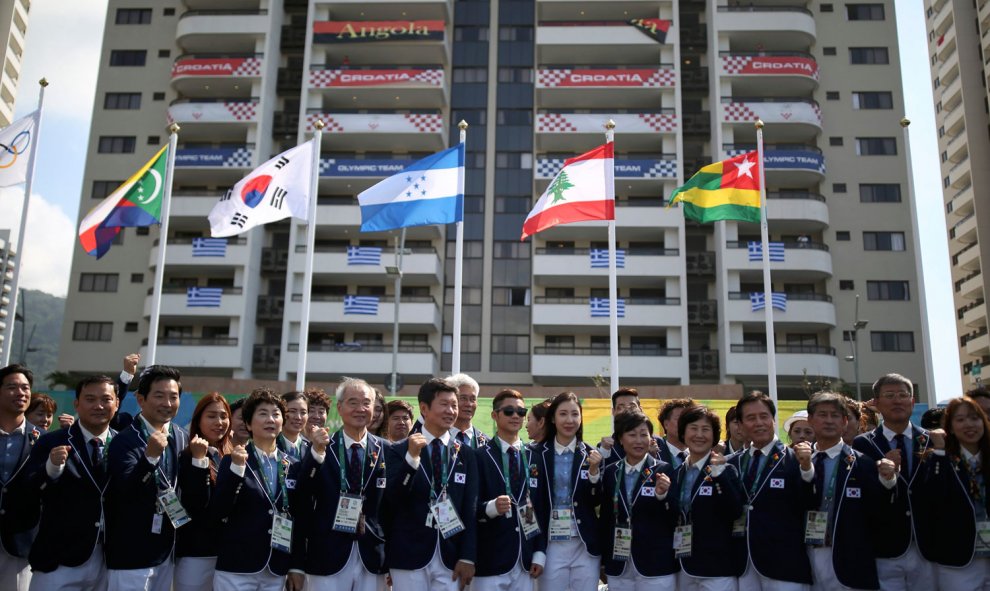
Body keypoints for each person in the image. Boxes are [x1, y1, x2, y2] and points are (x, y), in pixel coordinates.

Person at [289, 378, 387, 591]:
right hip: (326, 554)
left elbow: (393, 509)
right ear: (340, 408)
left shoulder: (387, 450)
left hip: (372, 557)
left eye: (366, 403)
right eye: (353, 402)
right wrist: (297, 564)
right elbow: (302, 503)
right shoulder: (319, 448)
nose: (361, 409)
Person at [26, 375, 119, 590]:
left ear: (117, 403)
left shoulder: (124, 444)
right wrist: (51, 469)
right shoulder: (52, 441)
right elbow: (27, 490)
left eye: (106, 399)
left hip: (107, 560)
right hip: (59, 560)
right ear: (77, 404)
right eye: (90, 399)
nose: (98, 406)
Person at [385, 378, 478, 590]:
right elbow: (392, 500)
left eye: (454, 405)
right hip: (408, 555)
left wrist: (468, 556)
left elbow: (469, 509)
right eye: (444, 404)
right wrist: (411, 460)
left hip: (450, 557)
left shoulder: (466, 454)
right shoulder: (399, 450)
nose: (451, 411)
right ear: (424, 409)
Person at [105, 365, 189, 591]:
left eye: (174, 397)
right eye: (159, 396)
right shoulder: (125, 440)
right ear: (141, 400)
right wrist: (149, 457)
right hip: (132, 552)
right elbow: (125, 491)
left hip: (167, 551)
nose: (168, 403)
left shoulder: (182, 436)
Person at [852, 374, 936, 590]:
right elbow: (863, 494)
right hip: (885, 546)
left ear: (912, 401)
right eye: (889, 396)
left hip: (927, 545)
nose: (897, 401)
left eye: (903, 395)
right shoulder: (863, 443)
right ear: (877, 403)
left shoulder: (931, 441)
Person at [805, 392, 896, 591]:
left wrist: (888, 482)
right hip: (807, 556)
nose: (829, 420)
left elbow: (880, 512)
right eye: (822, 414)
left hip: (849, 558)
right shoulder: (798, 461)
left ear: (845, 421)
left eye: (835, 415)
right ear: (810, 420)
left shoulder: (863, 463)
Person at [728, 390, 816, 590]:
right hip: (743, 562)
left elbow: (809, 502)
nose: (759, 423)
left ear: (773, 420)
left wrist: (806, 470)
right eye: (751, 418)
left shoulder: (796, 459)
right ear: (740, 425)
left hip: (783, 564)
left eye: (764, 416)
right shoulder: (732, 463)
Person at [212, 388, 298, 590]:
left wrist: (296, 567)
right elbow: (219, 510)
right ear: (249, 424)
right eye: (263, 413)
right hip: (237, 567)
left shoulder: (293, 465)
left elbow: (299, 516)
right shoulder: (232, 461)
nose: (271, 419)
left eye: (276, 414)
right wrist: (237, 470)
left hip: (276, 568)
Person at [530, 391, 602, 591]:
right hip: (550, 542)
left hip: (583, 543)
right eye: (563, 414)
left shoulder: (591, 455)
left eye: (574, 414)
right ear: (552, 418)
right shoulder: (535, 454)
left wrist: (594, 473)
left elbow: (596, 501)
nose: (569, 420)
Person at [600, 410, 677, 590]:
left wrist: (662, 495)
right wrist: (604, 560)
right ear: (620, 439)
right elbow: (606, 518)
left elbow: (675, 515)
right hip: (619, 563)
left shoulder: (664, 470)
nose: (638, 440)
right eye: (632, 434)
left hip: (655, 564)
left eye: (644, 435)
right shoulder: (612, 472)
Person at [474, 389, 543, 590]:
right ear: (495, 415)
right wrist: (490, 508)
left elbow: (542, 507)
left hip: (526, 560)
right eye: (509, 411)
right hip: (490, 560)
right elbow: (467, 506)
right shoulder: (479, 456)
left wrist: (539, 552)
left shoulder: (534, 456)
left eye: (521, 412)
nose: (515, 416)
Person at [919, 397, 990, 588]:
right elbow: (933, 500)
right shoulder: (939, 460)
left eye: (975, 418)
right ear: (949, 427)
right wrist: (940, 452)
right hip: (959, 559)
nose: (969, 424)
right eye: (960, 419)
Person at [674, 405, 746, 590]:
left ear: (714, 436)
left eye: (706, 429)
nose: (699, 435)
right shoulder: (676, 473)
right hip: (683, 564)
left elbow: (735, 510)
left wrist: (719, 474)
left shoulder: (726, 469)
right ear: (683, 433)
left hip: (717, 567)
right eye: (693, 428)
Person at [175, 393, 232, 591]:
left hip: (228, 554)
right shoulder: (187, 455)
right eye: (211, 416)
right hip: (196, 553)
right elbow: (196, 504)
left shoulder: (232, 456)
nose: (219, 422)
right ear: (198, 421)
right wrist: (199, 461)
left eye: (224, 416)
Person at [0, 364, 41, 591]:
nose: (21, 393)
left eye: (25, 388)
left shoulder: (43, 440)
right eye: (12, 387)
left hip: (18, 546)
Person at [599, 388, 659, 465]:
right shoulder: (605, 446)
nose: (627, 410)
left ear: (640, 409)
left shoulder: (658, 443)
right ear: (613, 412)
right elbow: (601, 474)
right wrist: (604, 452)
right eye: (621, 407)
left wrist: (652, 456)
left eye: (632, 406)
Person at [448, 372, 488, 448]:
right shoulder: (438, 439)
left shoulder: (486, 443)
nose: (469, 404)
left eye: (473, 399)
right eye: (463, 398)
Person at [658, 398, 695, 469]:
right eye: (680, 419)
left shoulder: (701, 454)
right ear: (666, 424)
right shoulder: (656, 454)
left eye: (689, 420)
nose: (685, 423)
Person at [279, 391, 310, 461]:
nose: (298, 417)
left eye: (303, 412)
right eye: (292, 411)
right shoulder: (270, 445)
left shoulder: (310, 449)